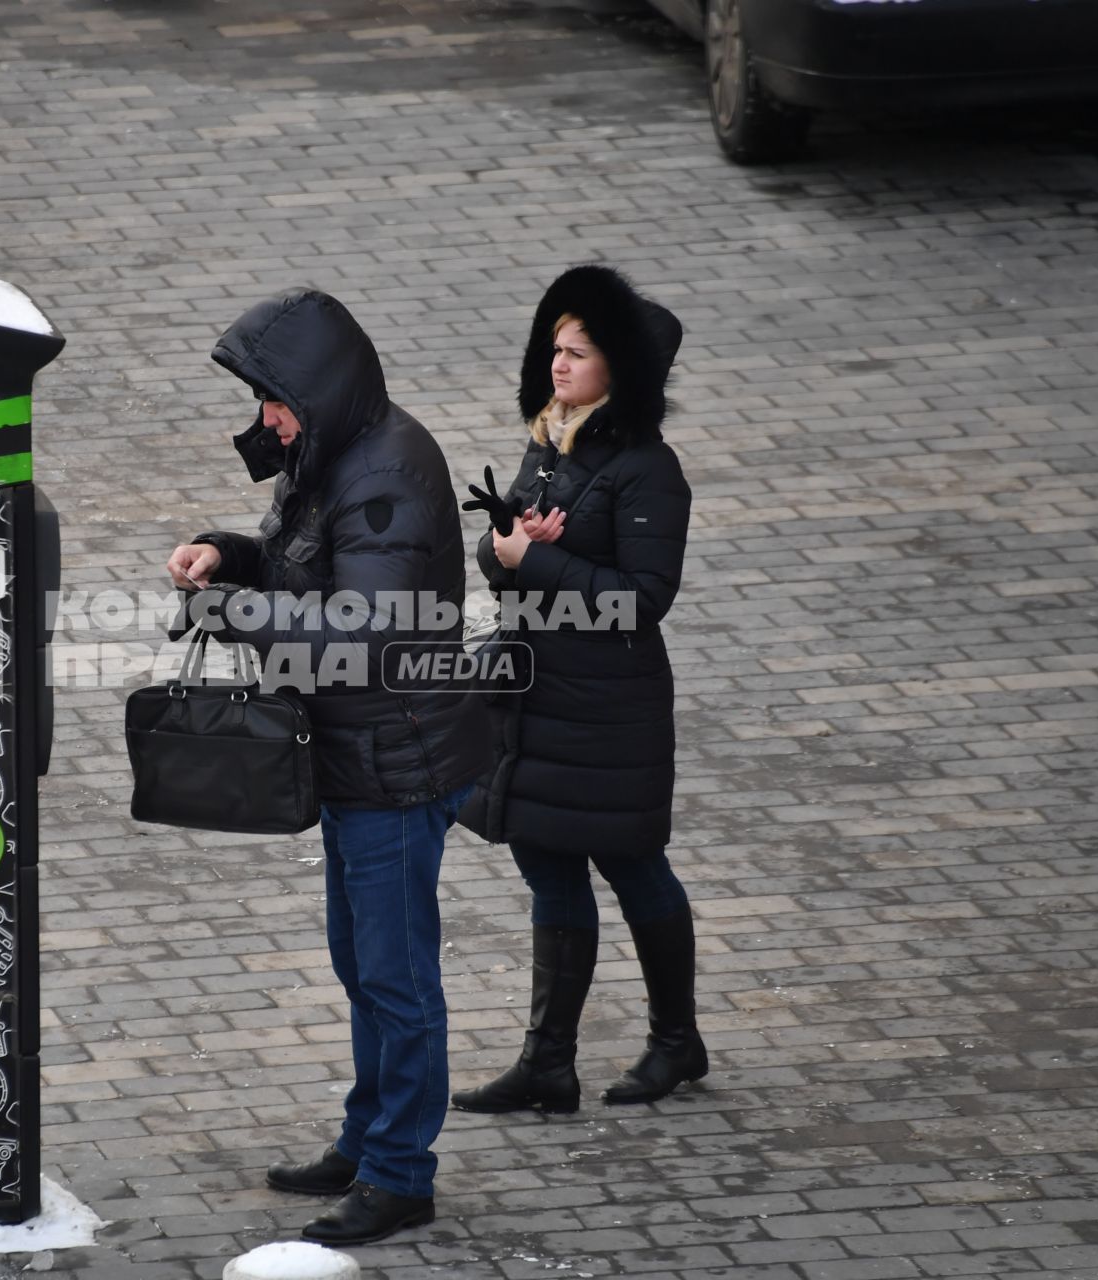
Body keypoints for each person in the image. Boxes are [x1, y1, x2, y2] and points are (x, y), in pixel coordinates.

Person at [165, 288, 490, 1246]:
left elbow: (372, 630)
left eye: (273, 399)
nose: (263, 419)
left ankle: (400, 1174)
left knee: (394, 975)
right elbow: (298, 565)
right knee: (363, 965)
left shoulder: (388, 467)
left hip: (400, 760)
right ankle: (366, 1139)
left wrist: (231, 615)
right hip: (357, 753)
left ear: (317, 389)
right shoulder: (328, 452)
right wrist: (229, 557)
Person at [453, 265, 705, 1116]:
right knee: (549, 870)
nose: (558, 366)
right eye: (555, 349)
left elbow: (642, 600)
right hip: (533, 700)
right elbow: (500, 566)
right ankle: (547, 1064)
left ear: (619, 369)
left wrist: (541, 560)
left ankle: (677, 1042)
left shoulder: (648, 471)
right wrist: (510, 547)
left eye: (580, 352)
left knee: (635, 868)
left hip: (608, 709)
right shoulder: (549, 442)